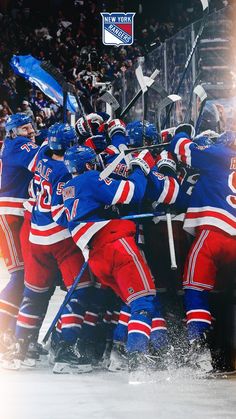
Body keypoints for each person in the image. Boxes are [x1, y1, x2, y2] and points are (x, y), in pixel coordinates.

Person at [62, 142, 174, 381]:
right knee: (143, 300)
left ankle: (158, 350)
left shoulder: (68, 188)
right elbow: (133, 192)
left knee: (134, 302)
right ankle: (137, 358)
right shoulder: (91, 179)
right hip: (116, 246)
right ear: (89, 164)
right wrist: (139, 169)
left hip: (96, 258)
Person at [3, 122, 93, 373]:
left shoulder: (41, 158)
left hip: (35, 238)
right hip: (59, 238)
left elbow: (42, 149)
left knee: (33, 293)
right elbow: (59, 210)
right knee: (80, 287)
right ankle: (65, 349)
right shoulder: (64, 171)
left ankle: (20, 349)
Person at [168, 125, 236, 375]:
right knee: (226, 296)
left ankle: (199, 351)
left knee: (194, 287)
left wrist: (180, 134)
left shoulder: (219, 153)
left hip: (213, 232)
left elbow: (182, 150)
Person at [0, 113, 39, 352]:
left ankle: (11, 330)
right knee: (19, 275)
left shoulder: (14, 144)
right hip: (9, 214)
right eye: (25, 128)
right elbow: (42, 160)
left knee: (24, 274)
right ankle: (4, 328)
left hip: (14, 213)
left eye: (31, 127)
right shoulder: (17, 144)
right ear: (14, 131)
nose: (31, 131)